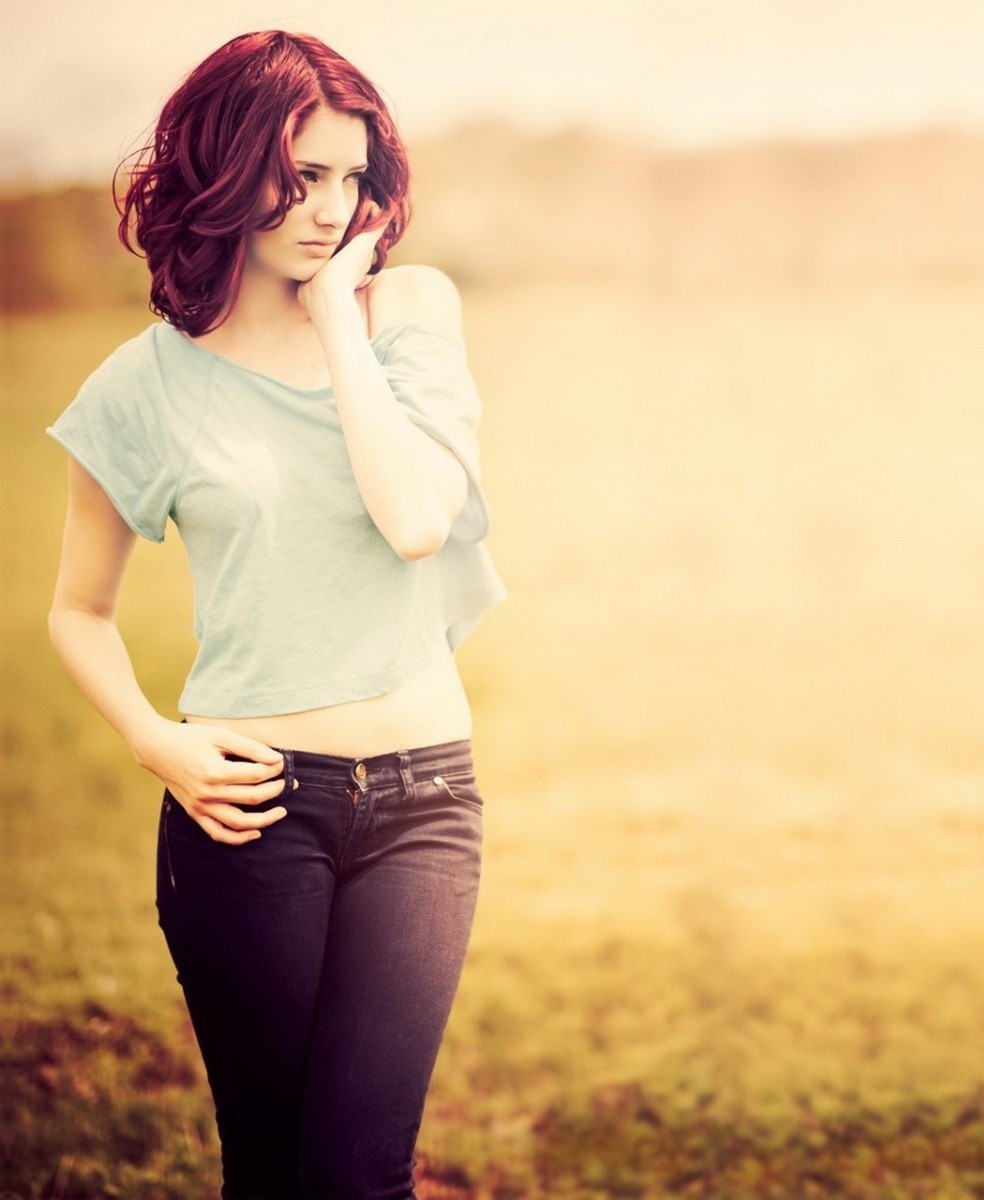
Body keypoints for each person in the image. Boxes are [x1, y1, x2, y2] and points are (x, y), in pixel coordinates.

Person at [43, 30, 507, 1199]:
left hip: (423, 805)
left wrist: (339, 315)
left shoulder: (407, 311)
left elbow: (414, 518)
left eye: (353, 178)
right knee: (271, 1169)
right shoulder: (142, 386)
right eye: (301, 177)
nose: (330, 207)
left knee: (360, 1171)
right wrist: (157, 741)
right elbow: (77, 613)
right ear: (223, 163)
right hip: (247, 809)